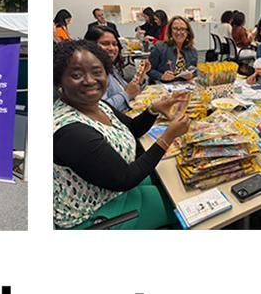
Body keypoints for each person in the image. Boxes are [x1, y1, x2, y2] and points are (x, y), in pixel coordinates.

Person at [53, 40, 189, 230]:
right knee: (183, 206)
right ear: (59, 81)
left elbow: (131, 128)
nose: (90, 80)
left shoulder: (96, 104)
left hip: (107, 188)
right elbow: (125, 178)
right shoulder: (72, 132)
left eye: (97, 72)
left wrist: (153, 109)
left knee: (173, 180)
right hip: (92, 212)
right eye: (76, 75)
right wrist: (167, 137)